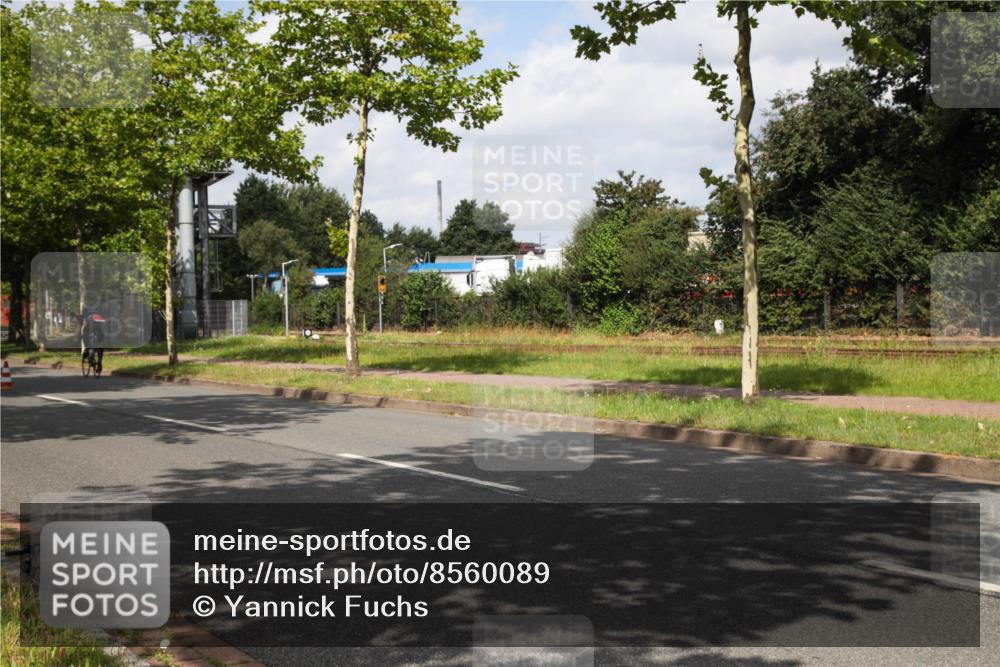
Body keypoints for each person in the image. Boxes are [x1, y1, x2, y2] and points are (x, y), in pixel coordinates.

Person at [80, 308, 106, 372]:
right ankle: (99, 361)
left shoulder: (87, 318)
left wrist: (81, 334)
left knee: (89, 346)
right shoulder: (100, 317)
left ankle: (90, 359)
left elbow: (83, 327)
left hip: (90, 335)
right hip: (100, 335)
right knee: (100, 348)